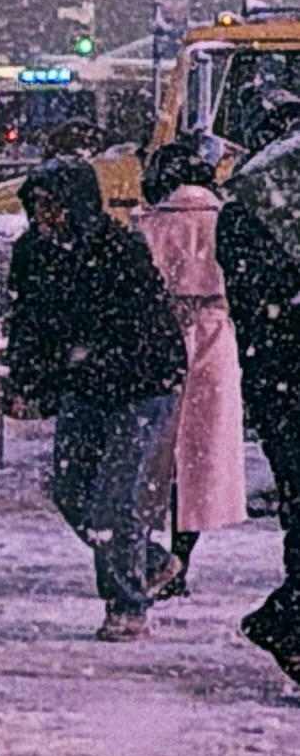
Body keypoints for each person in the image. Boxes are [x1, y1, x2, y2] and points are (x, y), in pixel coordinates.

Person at [6, 156, 187, 641]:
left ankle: (127, 604)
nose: (47, 216)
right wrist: (28, 380)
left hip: (139, 384)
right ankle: (148, 561)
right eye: (40, 205)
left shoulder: (118, 250)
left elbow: (137, 328)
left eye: (55, 205)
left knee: (115, 498)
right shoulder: (34, 253)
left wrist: (83, 358)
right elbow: (28, 321)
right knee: (71, 490)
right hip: (85, 383)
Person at [136, 139, 246, 595]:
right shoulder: (227, 221)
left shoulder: (150, 224)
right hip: (218, 336)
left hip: (163, 336)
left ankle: (146, 552)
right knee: (201, 456)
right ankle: (183, 553)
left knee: (151, 450)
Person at [215, 109, 300, 678]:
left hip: (274, 379)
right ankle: (287, 622)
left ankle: (291, 623)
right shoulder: (261, 221)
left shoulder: (243, 211)